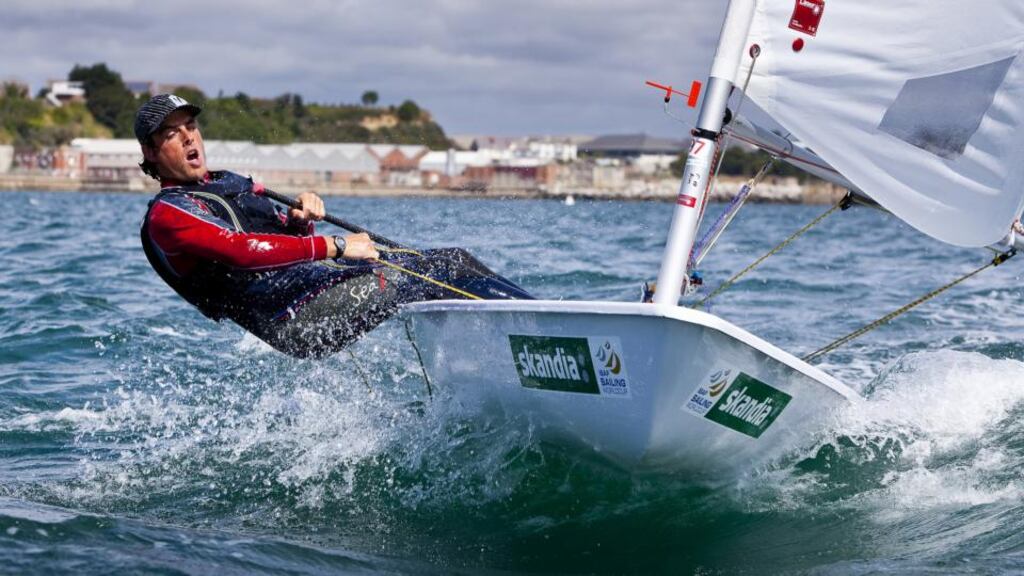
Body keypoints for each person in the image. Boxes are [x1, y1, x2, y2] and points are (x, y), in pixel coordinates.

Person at [137, 94, 531, 358]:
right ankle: (538, 339)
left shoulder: (222, 184)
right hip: (297, 321)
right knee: (431, 274)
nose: (190, 137)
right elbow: (241, 252)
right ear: (152, 152)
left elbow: (284, 244)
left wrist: (299, 222)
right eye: (173, 133)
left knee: (450, 260)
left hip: (312, 291)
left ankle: (521, 331)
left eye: (191, 125)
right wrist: (335, 246)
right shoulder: (168, 214)